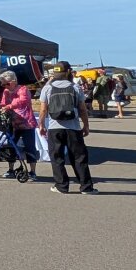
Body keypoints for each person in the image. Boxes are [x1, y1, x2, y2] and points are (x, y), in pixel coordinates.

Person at [39, 61, 96, 194]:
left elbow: (43, 110)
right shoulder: (75, 87)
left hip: (54, 127)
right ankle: (86, 187)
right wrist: (86, 125)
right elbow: (82, 109)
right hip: (73, 128)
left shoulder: (47, 88)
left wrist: (41, 125)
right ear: (68, 72)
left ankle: (61, 186)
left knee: (57, 157)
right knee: (79, 158)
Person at [0, 70, 39, 179]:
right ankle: (10, 169)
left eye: (7, 83)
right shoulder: (6, 91)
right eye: (3, 84)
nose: (5, 86)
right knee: (10, 146)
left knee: (30, 147)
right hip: (13, 123)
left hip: (26, 123)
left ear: (14, 81)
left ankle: (32, 172)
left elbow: (23, 101)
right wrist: (1, 106)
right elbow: (3, 103)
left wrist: (9, 106)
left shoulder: (23, 89)